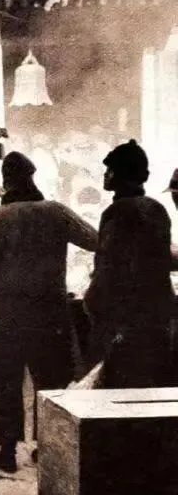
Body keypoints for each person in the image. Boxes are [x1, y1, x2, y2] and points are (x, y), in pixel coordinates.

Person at [0, 151, 98, 473]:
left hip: (9, 314)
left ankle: (8, 452)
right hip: (49, 311)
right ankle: (48, 447)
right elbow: (95, 240)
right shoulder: (56, 212)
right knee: (51, 382)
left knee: (8, 382)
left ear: (6, 182)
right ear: (32, 177)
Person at [84, 140, 176, 389]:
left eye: (109, 170)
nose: (105, 175)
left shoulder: (118, 212)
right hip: (156, 316)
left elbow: (110, 266)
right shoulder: (157, 209)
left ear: (120, 174)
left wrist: (92, 302)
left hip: (123, 320)